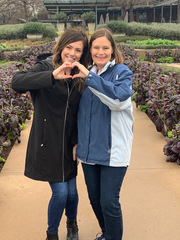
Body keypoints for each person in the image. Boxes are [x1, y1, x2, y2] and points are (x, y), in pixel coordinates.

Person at [11, 28, 89, 240]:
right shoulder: (45, 66)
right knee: (61, 193)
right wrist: (52, 76)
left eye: (78, 50)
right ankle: (51, 234)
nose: (72, 53)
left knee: (72, 193)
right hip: (47, 142)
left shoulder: (81, 75)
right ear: (61, 46)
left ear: (83, 53)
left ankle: (72, 225)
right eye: (69, 47)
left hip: (69, 144)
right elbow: (17, 82)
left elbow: (81, 114)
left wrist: (77, 142)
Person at [71, 28, 134, 240]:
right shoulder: (84, 73)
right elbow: (79, 113)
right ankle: (107, 234)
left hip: (113, 151)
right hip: (89, 151)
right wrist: (77, 142)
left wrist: (90, 77)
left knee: (109, 201)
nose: (100, 52)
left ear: (112, 49)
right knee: (95, 199)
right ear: (90, 49)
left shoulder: (122, 72)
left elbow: (118, 101)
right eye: (96, 47)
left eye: (105, 47)